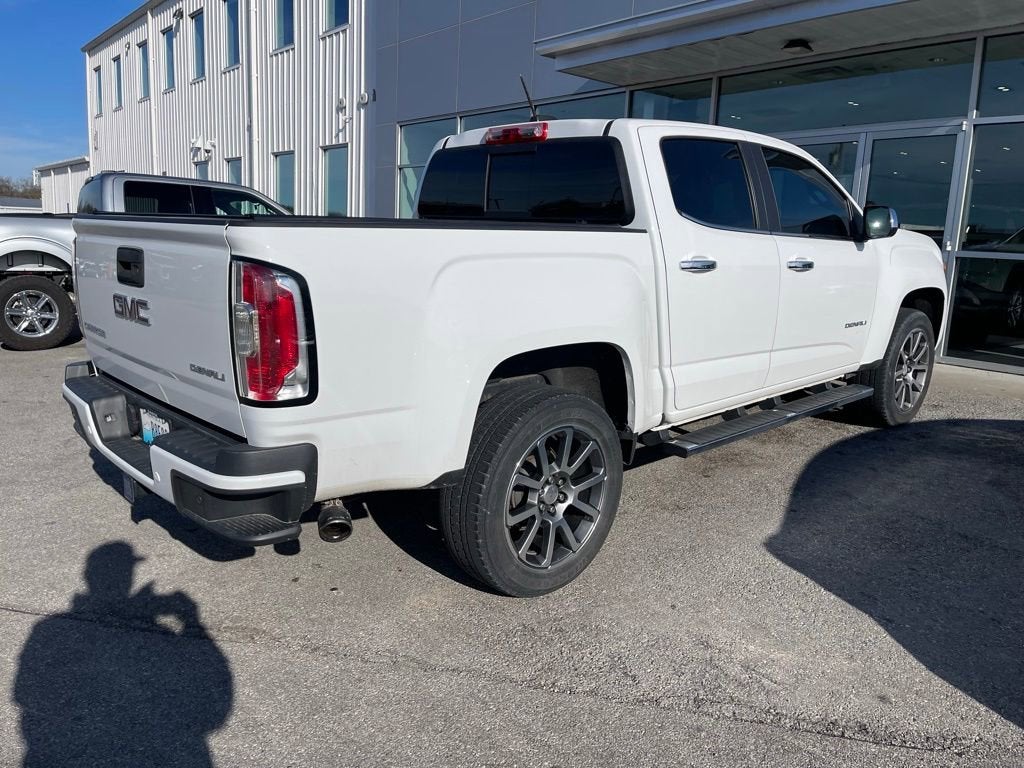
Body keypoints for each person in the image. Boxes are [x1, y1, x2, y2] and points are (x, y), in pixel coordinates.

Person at [14, 542, 233, 767]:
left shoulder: (49, 628)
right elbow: (216, 704)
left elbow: (24, 694)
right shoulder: (51, 629)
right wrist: (191, 621)